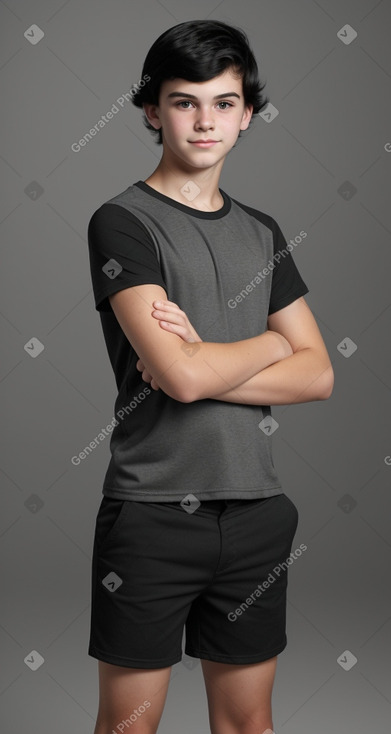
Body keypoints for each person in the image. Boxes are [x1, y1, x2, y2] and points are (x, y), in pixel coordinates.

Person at [87, 19, 334, 734]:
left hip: (258, 512)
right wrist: (268, 347)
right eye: (184, 101)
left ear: (247, 114)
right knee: (129, 727)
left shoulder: (262, 231)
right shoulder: (122, 222)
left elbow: (318, 375)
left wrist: (207, 358)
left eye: (223, 103)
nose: (204, 120)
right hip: (153, 515)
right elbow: (180, 378)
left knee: (247, 726)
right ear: (151, 110)